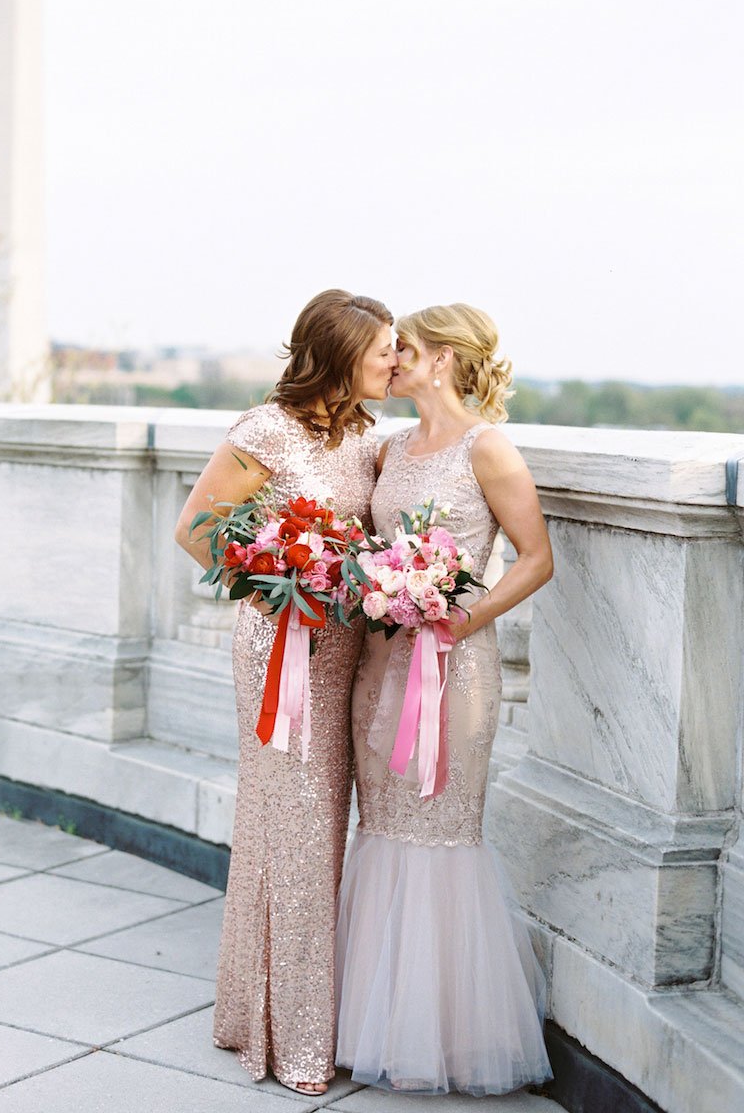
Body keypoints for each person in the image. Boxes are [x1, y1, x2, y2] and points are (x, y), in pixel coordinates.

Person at [175, 289, 396, 1095]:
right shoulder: (266, 429)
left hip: (344, 654)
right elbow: (196, 528)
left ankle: (249, 1013)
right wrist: (279, 574)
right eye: (383, 351)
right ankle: (297, 1042)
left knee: (309, 825)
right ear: (341, 355)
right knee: (297, 830)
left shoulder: (364, 441)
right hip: (282, 654)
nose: (394, 362)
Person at [336, 302, 554, 1095]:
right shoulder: (390, 448)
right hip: (380, 665)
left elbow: (535, 559)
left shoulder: (487, 447)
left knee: (440, 827)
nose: (391, 361)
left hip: (454, 669)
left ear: (447, 362)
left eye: (407, 351)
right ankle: (374, 1019)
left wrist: (458, 617)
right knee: (383, 822)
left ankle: (448, 1038)